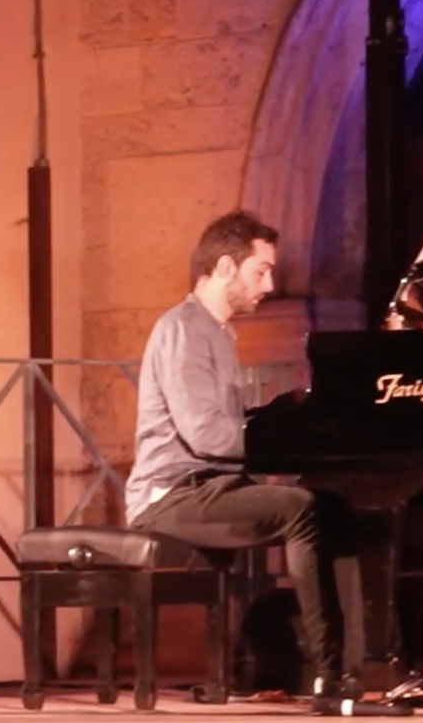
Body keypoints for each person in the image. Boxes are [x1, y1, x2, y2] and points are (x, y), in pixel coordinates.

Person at [123, 210, 366, 697]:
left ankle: (362, 664)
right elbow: (207, 437)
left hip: (211, 487)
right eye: (262, 271)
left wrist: (284, 416)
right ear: (226, 268)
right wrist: (274, 433)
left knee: (336, 510)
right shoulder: (184, 329)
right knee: (299, 509)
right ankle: (327, 672)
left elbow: (227, 428)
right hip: (170, 495)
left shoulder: (218, 331)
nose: (270, 285)